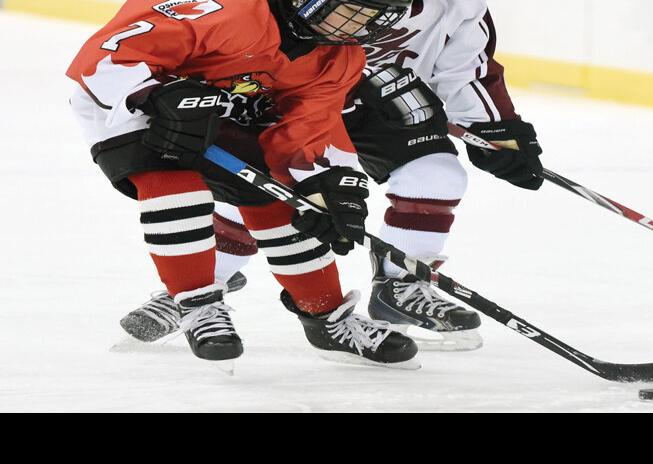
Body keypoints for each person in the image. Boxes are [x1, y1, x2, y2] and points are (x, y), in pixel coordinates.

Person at [120, 0, 545, 352]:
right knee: (261, 190)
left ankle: (400, 287)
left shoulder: (459, 5)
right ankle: (198, 290)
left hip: (378, 101)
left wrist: (495, 129)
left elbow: (464, 67)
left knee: (437, 175)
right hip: (291, 95)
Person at [68, 0, 420, 370]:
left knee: (289, 206)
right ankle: (198, 307)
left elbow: (307, 130)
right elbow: (106, 55)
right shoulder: (229, 10)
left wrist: (328, 188)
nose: (361, 25)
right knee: (176, 187)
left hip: (224, 116)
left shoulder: (338, 58)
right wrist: (153, 94)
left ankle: (328, 320)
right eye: (354, 10)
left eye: (372, 17)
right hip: (133, 111)